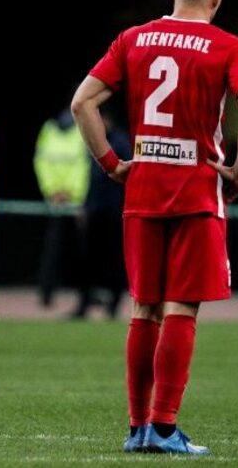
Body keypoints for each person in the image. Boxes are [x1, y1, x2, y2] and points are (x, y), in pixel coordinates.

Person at [71, 0, 238, 454]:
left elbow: (82, 102)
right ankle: (162, 427)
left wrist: (111, 163)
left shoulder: (133, 39)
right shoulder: (228, 47)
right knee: (181, 307)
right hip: (196, 193)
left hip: (143, 191)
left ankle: (138, 428)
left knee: (144, 308)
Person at [70, 110, 130, 319]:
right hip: (95, 209)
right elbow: (88, 178)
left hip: (115, 210)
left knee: (115, 259)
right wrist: (84, 205)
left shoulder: (121, 142)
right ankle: (84, 303)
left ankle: (113, 304)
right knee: (87, 259)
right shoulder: (92, 142)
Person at [33, 98, 91, 308]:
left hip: (71, 202)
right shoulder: (54, 129)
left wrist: (58, 192)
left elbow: (83, 165)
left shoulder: (56, 129)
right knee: (56, 249)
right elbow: (42, 161)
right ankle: (48, 294)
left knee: (80, 251)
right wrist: (56, 192)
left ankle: (84, 297)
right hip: (66, 201)